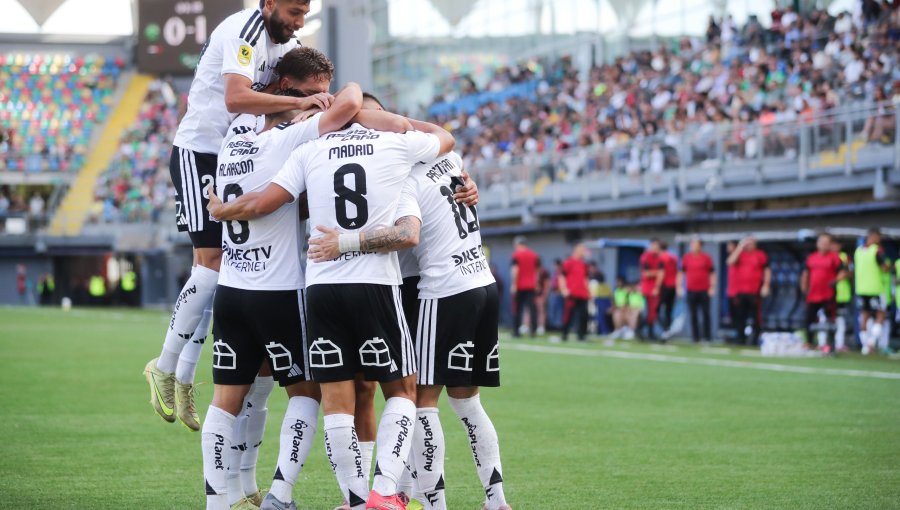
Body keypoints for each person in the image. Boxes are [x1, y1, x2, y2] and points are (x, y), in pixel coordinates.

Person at [209, 107, 454, 510]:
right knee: (403, 390)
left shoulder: (311, 150)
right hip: (374, 284)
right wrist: (392, 120)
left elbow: (262, 201)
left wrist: (222, 211)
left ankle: (357, 501)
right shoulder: (395, 143)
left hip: (320, 286)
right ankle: (385, 490)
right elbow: (444, 137)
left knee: (337, 403)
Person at [146, 0, 329, 430]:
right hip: (202, 153)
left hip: (240, 155)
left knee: (222, 274)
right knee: (210, 266)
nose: (299, 22)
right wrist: (303, 108)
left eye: (305, 14)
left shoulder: (287, 45)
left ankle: (185, 377)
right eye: (293, 12)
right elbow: (235, 98)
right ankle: (164, 364)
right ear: (268, 4)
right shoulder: (244, 30)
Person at [332, 133, 507, 509]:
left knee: (418, 400)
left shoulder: (405, 179)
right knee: (467, 403)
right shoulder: (452, 157)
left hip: (442, 290)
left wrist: (343, 243)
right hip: (482, 282)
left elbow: (406, 235)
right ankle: (496, 501)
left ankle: (431, 504)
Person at [800, 233, 847, 353]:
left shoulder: (835, 258)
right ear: (817, 243)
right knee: (809, 319)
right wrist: (804, 287)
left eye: (826, 242)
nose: (824, 244)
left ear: (830, 244)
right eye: (821, 242)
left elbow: (843, 272)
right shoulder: (811, 257)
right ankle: (809, 343)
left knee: (830, 320)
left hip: (828, 294)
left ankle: (830, 345)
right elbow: (805, 273)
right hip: (813, 294)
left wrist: (835, 281)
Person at [727, 236, 770, 346]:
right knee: (739, 317)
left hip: (754, 291)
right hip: (740, 292)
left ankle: (755, 340)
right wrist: (740, 247)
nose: (749, 244)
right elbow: (730, 262)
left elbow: (766, 270)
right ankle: (740, 339)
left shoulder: (760, 255)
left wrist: (766, 285)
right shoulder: (740, 253)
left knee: (756, 318)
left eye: (751, 242)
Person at [854, 228, 890, 355]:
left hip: (861, 289)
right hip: (875, 288)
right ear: (874, 237)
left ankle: (865, 347)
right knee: (880, 315)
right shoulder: (877, 250)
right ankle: (871, 342)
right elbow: (885, 268)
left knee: (864, 315)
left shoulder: (858, 251)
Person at [679, 238, 715, 343]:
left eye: (695, 244)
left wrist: (712, 287)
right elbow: (681, 273)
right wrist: (679, 286)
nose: (693, 245)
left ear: (700, 246)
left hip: (704, 290)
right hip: (691, 290)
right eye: (692, 243)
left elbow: (712, 273)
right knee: (693, 314)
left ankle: (707, 337)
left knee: (706, 314)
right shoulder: (686, 258)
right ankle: (695, 338)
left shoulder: (706, 258)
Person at [559, 244, 591, 342]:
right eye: (582, 250)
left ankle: (582, 336)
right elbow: (562, 276)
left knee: (584, 315)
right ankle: (564, 334)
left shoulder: (584, 264)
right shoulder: (568, 262)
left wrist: (588, 291)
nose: (583, 252)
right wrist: (564, 289)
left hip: (582, 294)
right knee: (568, 315)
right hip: (572, 293)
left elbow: (585, 279)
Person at [510, 236, 540, 337]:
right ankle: (533, 331)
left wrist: (514, 284)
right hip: (531, 286)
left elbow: (515, 270)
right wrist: (536, 283)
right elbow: (537, 271)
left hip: (520, 286)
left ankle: (516, 332)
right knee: (532, 309)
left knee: (518, 309)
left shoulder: (516, 255)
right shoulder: (534, 255)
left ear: (518, 244)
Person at [639, 239, 664, 340]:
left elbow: (661, 274)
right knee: (648, 312)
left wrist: (657, 286)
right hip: (647, 288)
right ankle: (639, 329)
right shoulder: (646, 257)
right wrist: (658, 273)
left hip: (655, 289)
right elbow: (646, 273)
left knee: (653, 312)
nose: (656, 248)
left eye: (657, 246)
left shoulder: (660, 258)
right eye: (654, 246)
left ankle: (649, 333)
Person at [831, 239, 853, 352]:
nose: (835, 246)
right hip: (826, 293)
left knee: (840, 319)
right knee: (824, 318)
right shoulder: (825, 257)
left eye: (837, 244)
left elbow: (850, 273)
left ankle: (839, 344)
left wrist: (837, 279)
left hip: (841, 293)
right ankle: (823, 343)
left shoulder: (844, 257)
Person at [657, 241, 678, 337]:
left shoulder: (662, 258)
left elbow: (662, 274)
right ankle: (668, 330)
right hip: (673, 287)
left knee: (656, 310)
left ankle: (666, 328)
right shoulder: (673, 257)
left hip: (665, 287)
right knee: (668, 310)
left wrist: (656, 287)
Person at [588, 262, 611, 335]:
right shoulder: (588, 275)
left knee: (599, 316)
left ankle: (604, 331)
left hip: (598, 298)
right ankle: (592, 330)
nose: (591, 269)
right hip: (590, 297)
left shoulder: (599, 275)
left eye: (592, 267)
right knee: (591, 315)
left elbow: (597, 288)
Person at [548, 259, 565, 330]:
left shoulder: (561, 273)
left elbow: (562, 283)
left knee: (559, 310)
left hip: (559, 293)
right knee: (552, 309)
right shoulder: (554, 273)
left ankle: (559, 325)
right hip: (553, 292)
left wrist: (560, 290)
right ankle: (552, 325)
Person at [534, 262, 550, 335]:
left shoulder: (544, 272)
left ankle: (541, 326)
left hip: (540, 294)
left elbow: (547, 284)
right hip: (532, 293)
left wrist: (545, 294)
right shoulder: (532, 271)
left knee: (541, 310)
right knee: (528, 310)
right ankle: (526, 325)